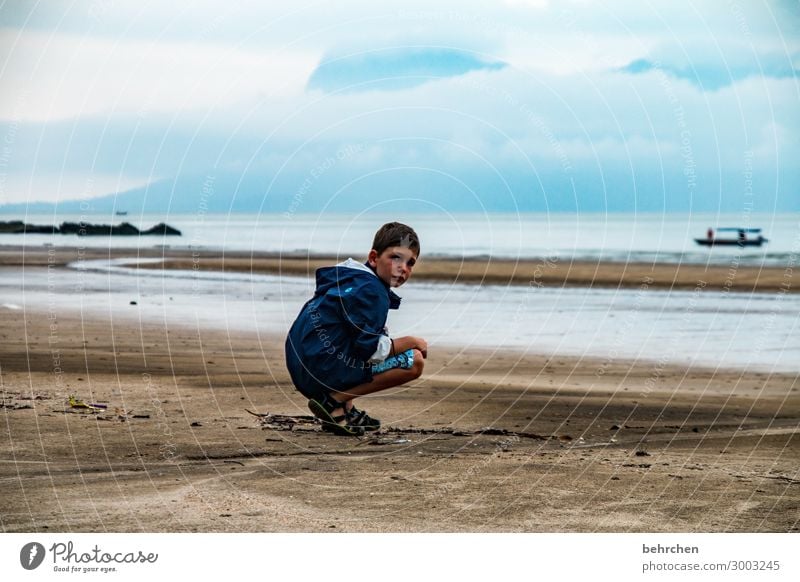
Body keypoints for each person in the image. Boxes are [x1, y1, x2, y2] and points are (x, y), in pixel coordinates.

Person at [285, 222, 427, 436]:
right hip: (320, 371)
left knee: (361, 338)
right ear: (373, 258)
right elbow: (370, 351)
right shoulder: (371, 291)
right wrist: (412, 341)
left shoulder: (351, 278)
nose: (403, 268)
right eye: (396, 258)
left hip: (304, 366)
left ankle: (345, 408)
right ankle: (334, 400)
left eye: (410, 263)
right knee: (414, 360)